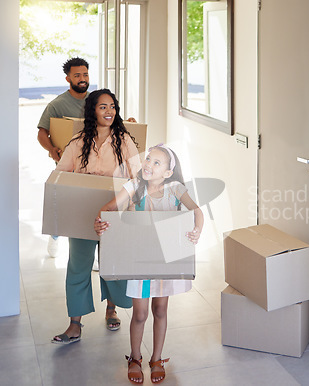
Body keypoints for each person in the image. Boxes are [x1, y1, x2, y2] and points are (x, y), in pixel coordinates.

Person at [94, 144, 204, 384]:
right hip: (139, 261)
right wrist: (101, 220)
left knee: (160, 310)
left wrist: (196, 230)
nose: (149, 165)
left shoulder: (174, 189)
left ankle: (156, 359)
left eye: (157, 163)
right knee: (140, 314)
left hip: (163, 262)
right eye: (148, 159)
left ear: (167, 173)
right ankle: (135, 358)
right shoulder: (134, 186)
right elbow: (109, 208)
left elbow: (197, 211)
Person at [51, 88, 142, 344]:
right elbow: (62, 175)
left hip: (116, 213)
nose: (109, 111)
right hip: (83, 214)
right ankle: (74, 324)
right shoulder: (78, 141)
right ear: (92, 110)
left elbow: (137, 180)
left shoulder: (124, 141)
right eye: (103, 107)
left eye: (112, 106)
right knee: (78, 266)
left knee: (112, 265)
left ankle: (112, 309)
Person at [37, 57, 90, 258]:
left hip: (93, 164)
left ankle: (89, 253)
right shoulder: (57, 105)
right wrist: (51, 149)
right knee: (65, 205)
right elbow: (42, 132)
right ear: (68, 78)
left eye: (85, 74)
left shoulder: (96, 101)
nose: (82, 79)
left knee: (88, 207)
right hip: (68, 164)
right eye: (77, 75)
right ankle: (55, 234)